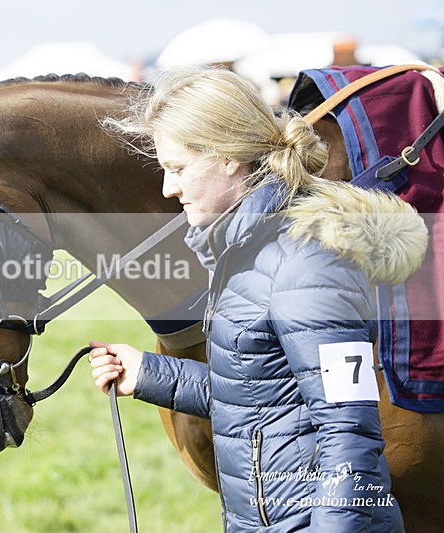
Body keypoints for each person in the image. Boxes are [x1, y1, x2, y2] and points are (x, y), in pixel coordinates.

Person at [87, 67, 428, 531]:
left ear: (229, 157)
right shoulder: (244, 253)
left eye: (178, 168)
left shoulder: (306, 264)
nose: (169, 188)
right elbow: (254, 396)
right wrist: (147, 372)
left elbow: (349, 433)